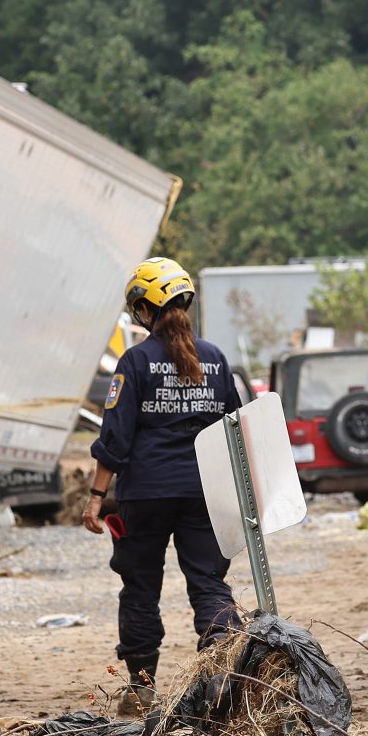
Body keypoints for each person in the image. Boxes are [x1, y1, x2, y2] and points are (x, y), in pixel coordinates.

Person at [82, 256, 243, 712]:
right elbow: (235, 427)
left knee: (140, 588)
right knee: (209, 585)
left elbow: (114, 438)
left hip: (145, 495)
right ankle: (221, 686)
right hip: (204, 494)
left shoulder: (135, 360)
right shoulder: (215, 359)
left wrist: (95, 498)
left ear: (146, 308)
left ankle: (141, 688)